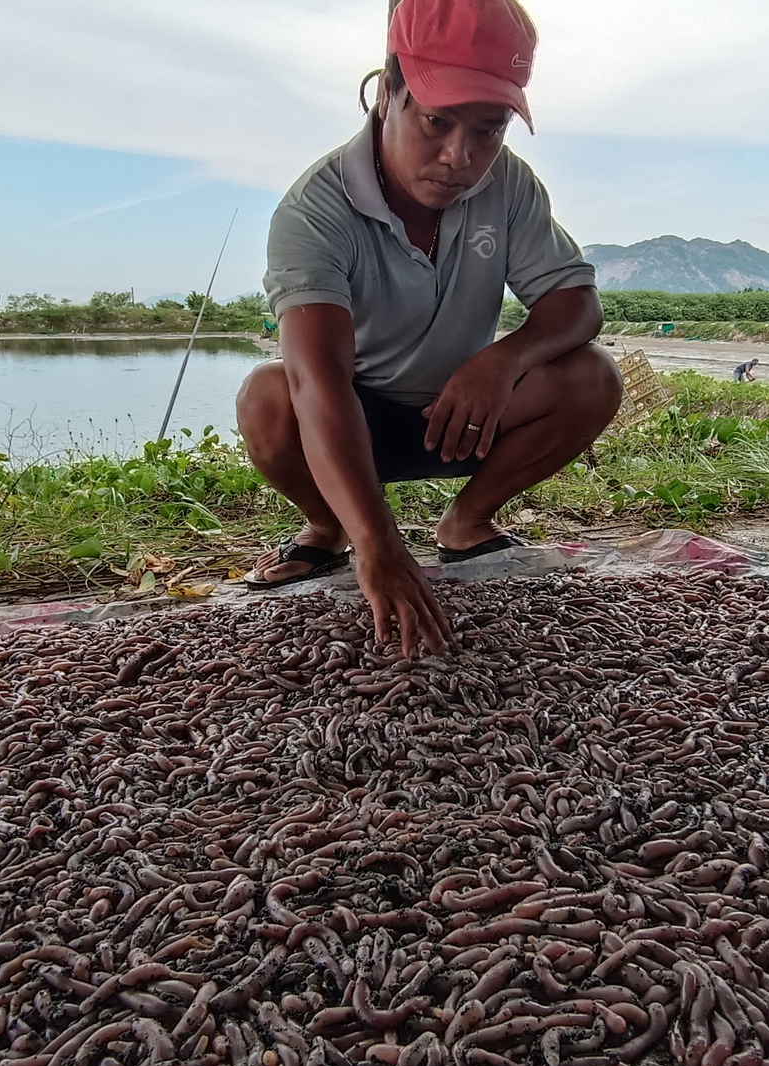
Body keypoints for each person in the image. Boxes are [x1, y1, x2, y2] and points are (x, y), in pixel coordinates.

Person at [236, 0, 620, 657]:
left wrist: (503, 361)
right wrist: (376, 543)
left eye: (488, 130)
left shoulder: (510, 187)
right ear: (388, 93)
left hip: (461, 415)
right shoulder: (314, 212)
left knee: (594, 377)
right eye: (437, 122)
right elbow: (317, 383)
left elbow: (577, 304)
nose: (459, 157)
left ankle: (467, 524)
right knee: (266, 398)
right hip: (358, 426)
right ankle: (330, 528)